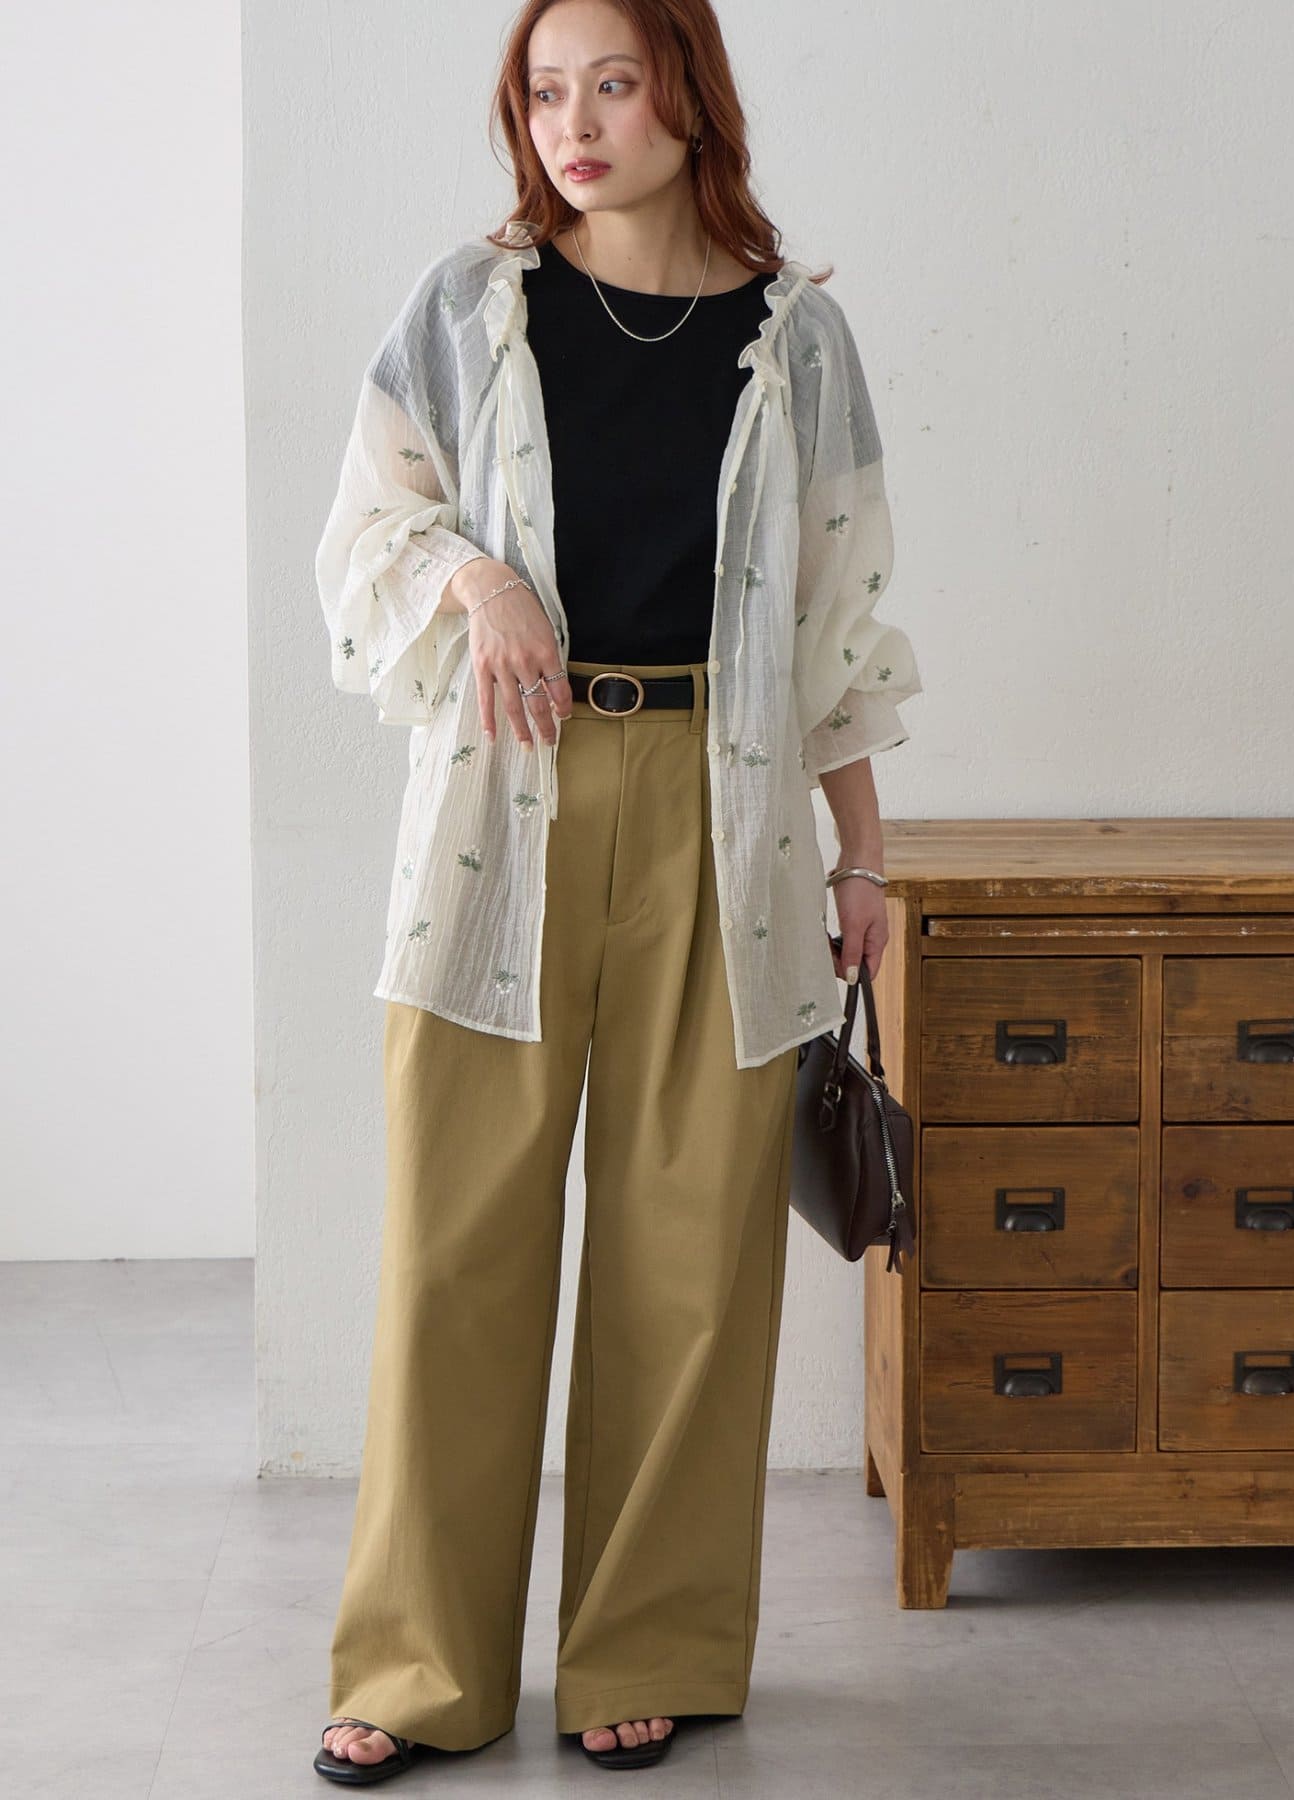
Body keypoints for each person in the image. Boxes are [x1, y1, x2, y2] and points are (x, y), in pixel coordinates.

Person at [310, 0, 921, 1780]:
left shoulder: (797, 339)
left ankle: (644, 1646)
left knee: (692, 1255)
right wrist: (477, 582)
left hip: (725, 812)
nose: (572, 123)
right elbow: (362, 538)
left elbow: (833, 623)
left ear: (688, 98)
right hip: (503, 804)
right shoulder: (467, 309)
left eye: (611, 84)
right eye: (543, 91)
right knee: (454, 1246)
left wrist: (862, 853)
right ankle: (416, 1668)